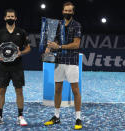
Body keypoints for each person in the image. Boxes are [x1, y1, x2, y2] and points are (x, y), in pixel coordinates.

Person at [43, 2, 82, 130]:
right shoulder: (58, 25)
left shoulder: (76, 25)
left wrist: (59, 47)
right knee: (57, 89)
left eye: (70, 11)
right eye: (66, 10)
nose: (67, 12)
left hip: (71, 61)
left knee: (75, 90)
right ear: (62, 11)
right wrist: (49, 47)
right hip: (59, 60)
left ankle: (78, 118)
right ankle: (56, 116)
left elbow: (76, 44)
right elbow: (54, 41)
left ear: (73, 12)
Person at [0, 8, 31, 126]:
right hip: (3, 66)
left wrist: (20, 53)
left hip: (17, 66)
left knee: (19, 91)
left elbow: (28, 48)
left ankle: (20, 116)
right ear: (5, 18)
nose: (10, 18)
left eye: (12, 16)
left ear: (15, 18)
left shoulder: (21, 32)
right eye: (8, 16)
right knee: (1, 91)